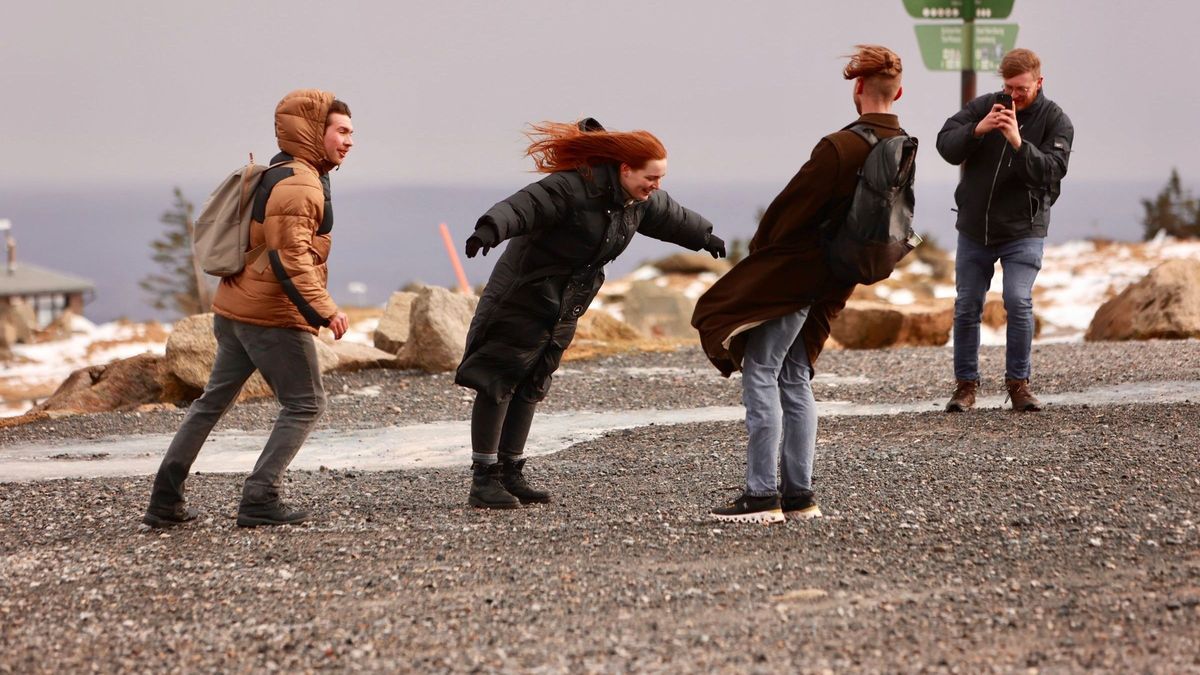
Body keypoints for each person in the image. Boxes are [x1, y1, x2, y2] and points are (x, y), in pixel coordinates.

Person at [456, 118, 726, 509]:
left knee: (533, 381)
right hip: (522, 295)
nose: (656, 186)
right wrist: (489, 230)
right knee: (499, 377)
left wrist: (704, 236)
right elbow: (524, 205)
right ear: (625, 169)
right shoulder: (572, 187)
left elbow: (670, 214)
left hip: (564, 302)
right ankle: (484, 480)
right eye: (651, 177)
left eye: (661, 178)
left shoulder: (635, 202)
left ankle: (511, 472)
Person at [693, 45, 907, 524]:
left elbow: (786, 214)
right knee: (794, 374)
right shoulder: (901, 146)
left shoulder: (840, 146)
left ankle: (761, 495)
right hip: (838, 279)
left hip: (799, 275)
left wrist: (763, 258)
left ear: (857, 89)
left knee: (762, 370)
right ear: (899, 92)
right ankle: (798, 494)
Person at [142, 89, 354, 528]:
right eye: (342, 131)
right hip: (270, 315)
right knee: (305, 403)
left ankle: (165, 498)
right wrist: (324, 308)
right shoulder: (300, 182)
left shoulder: (282, 169)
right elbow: (289, 254)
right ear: (316, 131)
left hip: (235, 307)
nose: (349, 141)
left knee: (211, 402)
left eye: (352, 133)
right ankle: (261, 495)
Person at [937, 48, 1073, 412]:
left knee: (1017, 300)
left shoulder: (1056, 120)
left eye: (1022, 89)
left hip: (1024, 229)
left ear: (1039, 82)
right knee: (967, 305)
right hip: (974, 228)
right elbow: (945, 144)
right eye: (1009, 87)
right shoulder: (985, 107)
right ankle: (965, 387)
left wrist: (1016, 141)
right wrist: (977, 131)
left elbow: (1050, 170)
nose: (1013, 96)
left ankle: (1019, 385)